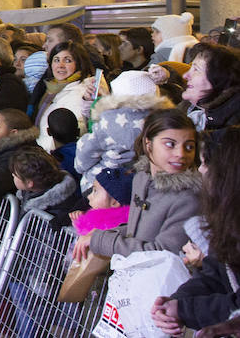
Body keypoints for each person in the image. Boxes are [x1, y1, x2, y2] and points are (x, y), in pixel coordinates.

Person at [74, 108, 201, 262]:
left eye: (189, 147)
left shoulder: (188, 199)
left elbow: (162, 252)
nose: (181, 154)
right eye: (170, 144)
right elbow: (136, 229)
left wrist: (102, 240)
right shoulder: (141, 178)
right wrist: (100, 234)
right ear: (148, 145)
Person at [154, 126, 240, 334]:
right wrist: (178, 301)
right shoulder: (228, 220)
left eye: (205, 163)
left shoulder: (190, 201)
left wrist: (185, 309)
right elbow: (215, 274)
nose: (200, 170)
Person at [76, 70, 172, 191]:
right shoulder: (163, 121)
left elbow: (83, 158)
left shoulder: (108, 122)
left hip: (101, 186)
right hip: (140, 187)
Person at [33, 42, 96, 151]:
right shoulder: (53, 88)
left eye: (68, 60)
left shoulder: (80, 93)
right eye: (56, 60)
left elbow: (68, 135)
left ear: (80, 64)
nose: (60, 65)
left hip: (56, 157)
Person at [9, 146, 85, 228]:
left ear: (29, 183)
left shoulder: (60, 210)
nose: (12, 175)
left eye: (15, 175)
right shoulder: (28, 193)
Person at [180, 42, 240, 132]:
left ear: (220, 78)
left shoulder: (231, 128)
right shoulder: (190, 109)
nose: (185, 75)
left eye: (196, 69)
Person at [69, 166, 133, 237]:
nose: (89, 196)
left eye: (95, 191)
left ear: (114, 202)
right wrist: (80, 221)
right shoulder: (96, 218)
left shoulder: (112, 232)